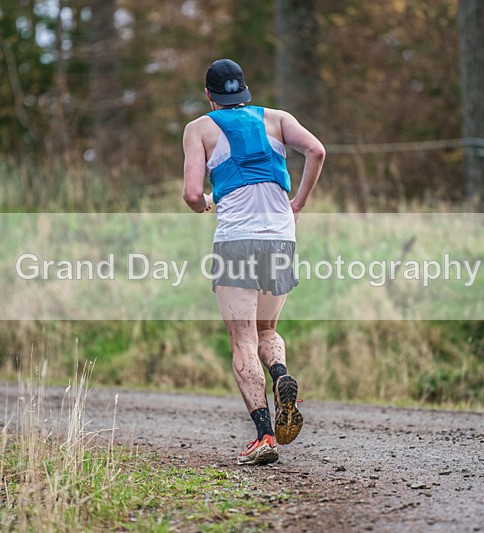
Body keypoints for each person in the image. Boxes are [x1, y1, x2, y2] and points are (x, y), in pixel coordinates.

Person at [182, 59, 326, 465]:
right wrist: (298, 201)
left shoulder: (199, 129)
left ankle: (264, 435)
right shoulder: (278, 118)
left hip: (237, 241)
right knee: (267, 329)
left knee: (242, 339)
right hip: (281, 237)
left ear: (209, 95)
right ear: (245, 90)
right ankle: (281, 375)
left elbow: (194, 195)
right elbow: (316, 150)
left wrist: (206, 203)